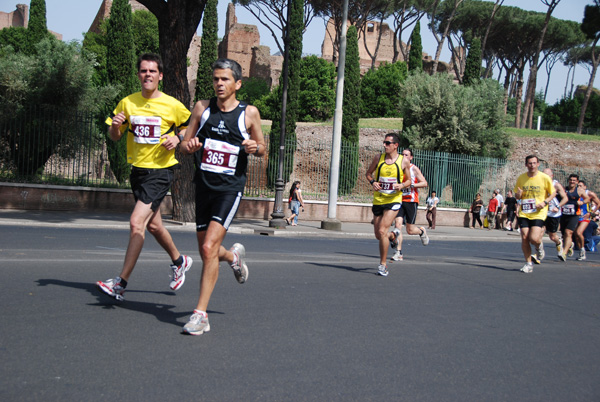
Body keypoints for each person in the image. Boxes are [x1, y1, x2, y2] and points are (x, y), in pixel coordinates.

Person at [96, 53, 193, 301]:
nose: (147, 75)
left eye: (152, 71)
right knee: (154, 225)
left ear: (160, 75)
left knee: (136, 222)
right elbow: (114, 136)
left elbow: (192, 125)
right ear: (138, 75)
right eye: (143, 71)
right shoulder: (127, 103)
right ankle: (179, 261)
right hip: (138, 172)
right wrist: (116, 126)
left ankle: (120, 283)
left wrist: (178, 138)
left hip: (160, 172)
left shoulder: (172, 104)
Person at [179, 58, 266, 335]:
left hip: (230, 189)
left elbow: (263, 147)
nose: (219, 83)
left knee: (207, 250)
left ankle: (200, 315)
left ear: (237, 84)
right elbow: (183, 144)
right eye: (216, 79)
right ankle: (233, 258)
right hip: (203, 186)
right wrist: (189, 145)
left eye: (225, 79)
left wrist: (255, 147)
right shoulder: (202, 108)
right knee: (210, 252)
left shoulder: (249, 113)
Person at [365, 133, 411, 276]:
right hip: (379, 200)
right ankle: (393, 236)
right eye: (384, 143)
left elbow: (409, 181)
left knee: (381, 231)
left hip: (394, 200)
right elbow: (368, 174)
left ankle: (383, 265)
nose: (384, 145)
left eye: (387, 143)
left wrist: (402, 185)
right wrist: (373, 182)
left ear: (395, 145)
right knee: (379, 235)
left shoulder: (403, 161)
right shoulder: (378, 158)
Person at [514, 155, 556, 273]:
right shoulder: (521, 178)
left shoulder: (544, 178)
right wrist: (519, 194)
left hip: (539, 212)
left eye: (534, 163)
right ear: (526, 165)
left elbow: (553, 193)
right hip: (525, 212)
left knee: (533, 238)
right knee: (524, 237)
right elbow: (517, 196)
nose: (532, 165)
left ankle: (539, 246)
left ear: (538, 164)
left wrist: (545, 202)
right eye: (529, 163)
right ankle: (528, 263)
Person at [391, 149, 429, 262]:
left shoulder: (413, 168)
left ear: (411, 157)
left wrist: (411, 185)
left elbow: (424, 183)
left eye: (406, 155)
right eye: (402, 154)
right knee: (398, 225)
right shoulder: (397, 167)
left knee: (410, 230)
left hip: (411, 201)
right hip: (399, 200)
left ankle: (421, 231)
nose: (404, 156)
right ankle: (398, 252)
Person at [560, 174, 588, 261]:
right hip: (564, 215)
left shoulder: (579, 191)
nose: (572, 182)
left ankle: (564, 253)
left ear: (577, 182)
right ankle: (569, 245)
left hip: (574, 215)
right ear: (568, 180)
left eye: (574, 180)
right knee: (564, 234)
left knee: (568, 232)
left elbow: (587, 199)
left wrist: (582, 203)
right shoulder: (564, 190)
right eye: (571, 180)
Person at [542, 169, 568, 260]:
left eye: (546, 175)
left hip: (553, 214)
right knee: (539, 233)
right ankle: (538, 252)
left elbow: (565, 198)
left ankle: (559, 242)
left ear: (551, 176)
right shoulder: (540, 184)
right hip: (542, 212)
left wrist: (557, 206)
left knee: (552, 236)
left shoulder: (556, 185)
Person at [574, 180, 600, 261]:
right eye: (578, 186)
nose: (579, 187)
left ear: (585, 187)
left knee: (579, 232)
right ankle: (581, 251)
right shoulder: (575, 193)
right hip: (576, 216)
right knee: (576, 235)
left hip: (585, 216)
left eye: (581, 186)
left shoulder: (590, 194)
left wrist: (591, 213)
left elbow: (598, 203)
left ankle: (582, 250)